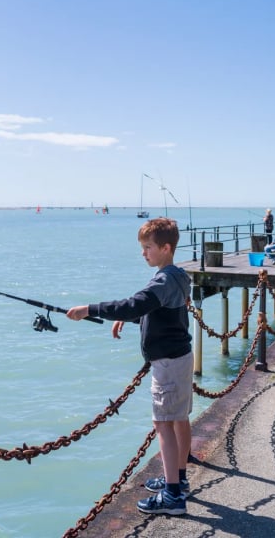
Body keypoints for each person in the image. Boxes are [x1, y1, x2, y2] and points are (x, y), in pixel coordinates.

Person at [66, 217, 193, 516]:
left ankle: (173, 495)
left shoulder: (162, 280)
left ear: (166, 248)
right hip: (181, 357)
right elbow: (157, 311)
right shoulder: (178, 276)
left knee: (163, 424)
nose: (143, 253)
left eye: (148, 247)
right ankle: (179, 479)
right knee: (179, 419)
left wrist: (89, 309)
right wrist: (133, 318)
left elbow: (134, 303)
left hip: (167, 363)